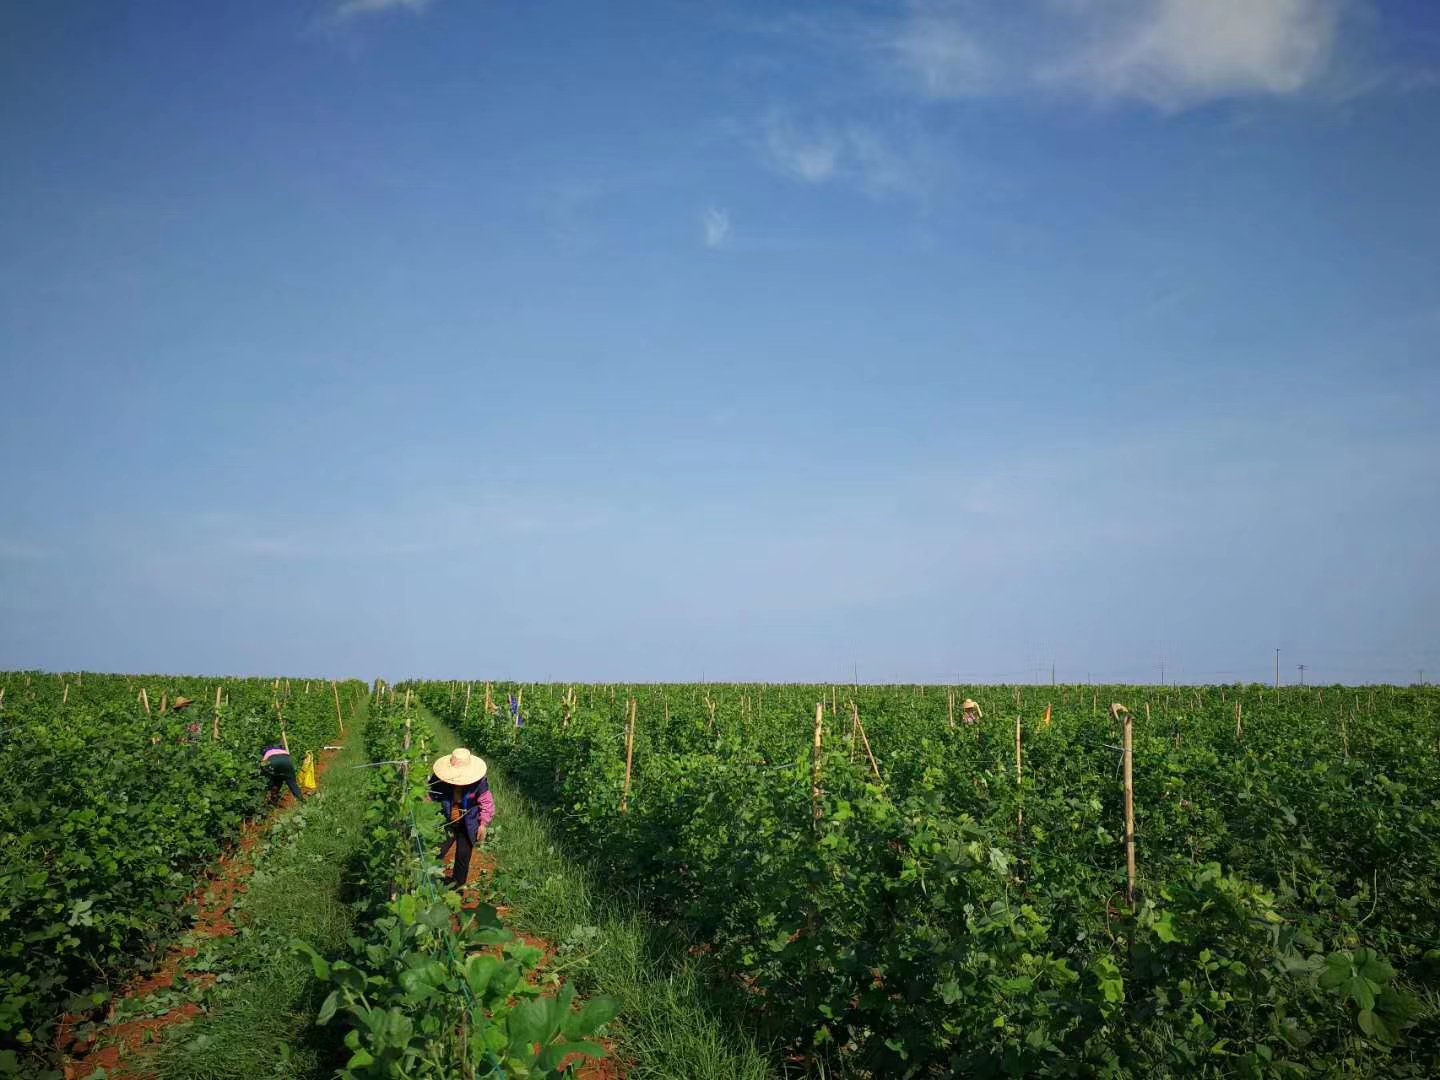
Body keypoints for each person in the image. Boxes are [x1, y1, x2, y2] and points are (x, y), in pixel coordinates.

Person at [429, 747, 494, 890]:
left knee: (463, 857)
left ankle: (457, 887)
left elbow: (487, 803)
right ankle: (429, 881)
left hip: (468, 825)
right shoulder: (440, 778)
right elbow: (430, 794)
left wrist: (483, 824)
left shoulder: (479, 783)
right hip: (447, 821)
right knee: (436, 850)